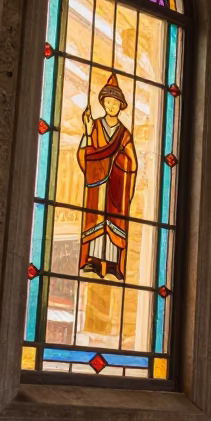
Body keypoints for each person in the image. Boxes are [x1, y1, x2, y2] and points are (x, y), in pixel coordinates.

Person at [78, 72, 138, 281]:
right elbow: (85, 154)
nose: (111, 106)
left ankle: (111, 265)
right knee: (96, 221)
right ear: (103, 103)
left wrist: (116, 161)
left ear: (121, 106)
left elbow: (132, 161)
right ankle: (92, 260)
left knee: (112, 225)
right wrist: (86, 133)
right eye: (108, 102)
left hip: (116, 186)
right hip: (97, 186)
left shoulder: (124, 133)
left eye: (115, 103)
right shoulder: (94, 126)